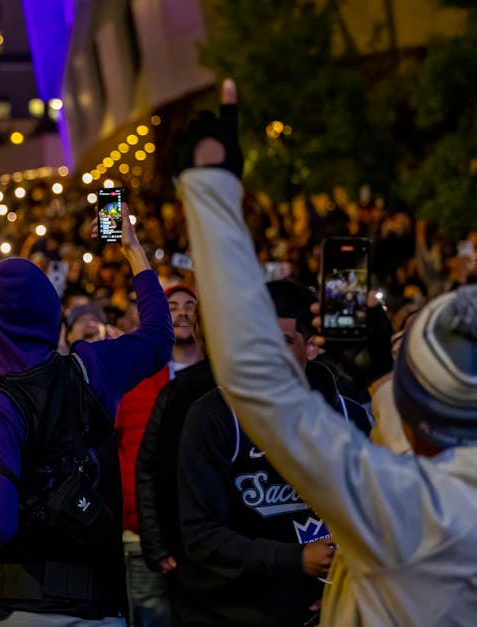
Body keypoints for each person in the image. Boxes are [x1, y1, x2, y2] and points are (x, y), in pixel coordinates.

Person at [177, 79, 477, 624]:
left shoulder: (404, 507)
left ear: (421, 412)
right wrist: (384, 381)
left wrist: (212, 191)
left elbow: (257, 382)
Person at [0, 209, 174, 625]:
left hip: (27, 608)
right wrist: (133, 250)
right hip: (101, 608)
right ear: (51, 309)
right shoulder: (93, 366)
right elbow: (158, 336)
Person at [173, 281, 371, 626]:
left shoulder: (347, 416)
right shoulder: (215, 413)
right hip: (236, 613)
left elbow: (377, 517)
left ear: (310, 348)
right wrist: (297, 559)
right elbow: (200, 535)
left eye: (281, 341)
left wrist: (344, 581)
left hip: (334, 609)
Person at [116, 286, 201, 627]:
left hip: (204, 539)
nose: (181, 313)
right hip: (140, 536)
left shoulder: (221, 378)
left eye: (190, 305)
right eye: (172, 306)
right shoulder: (136, 377)